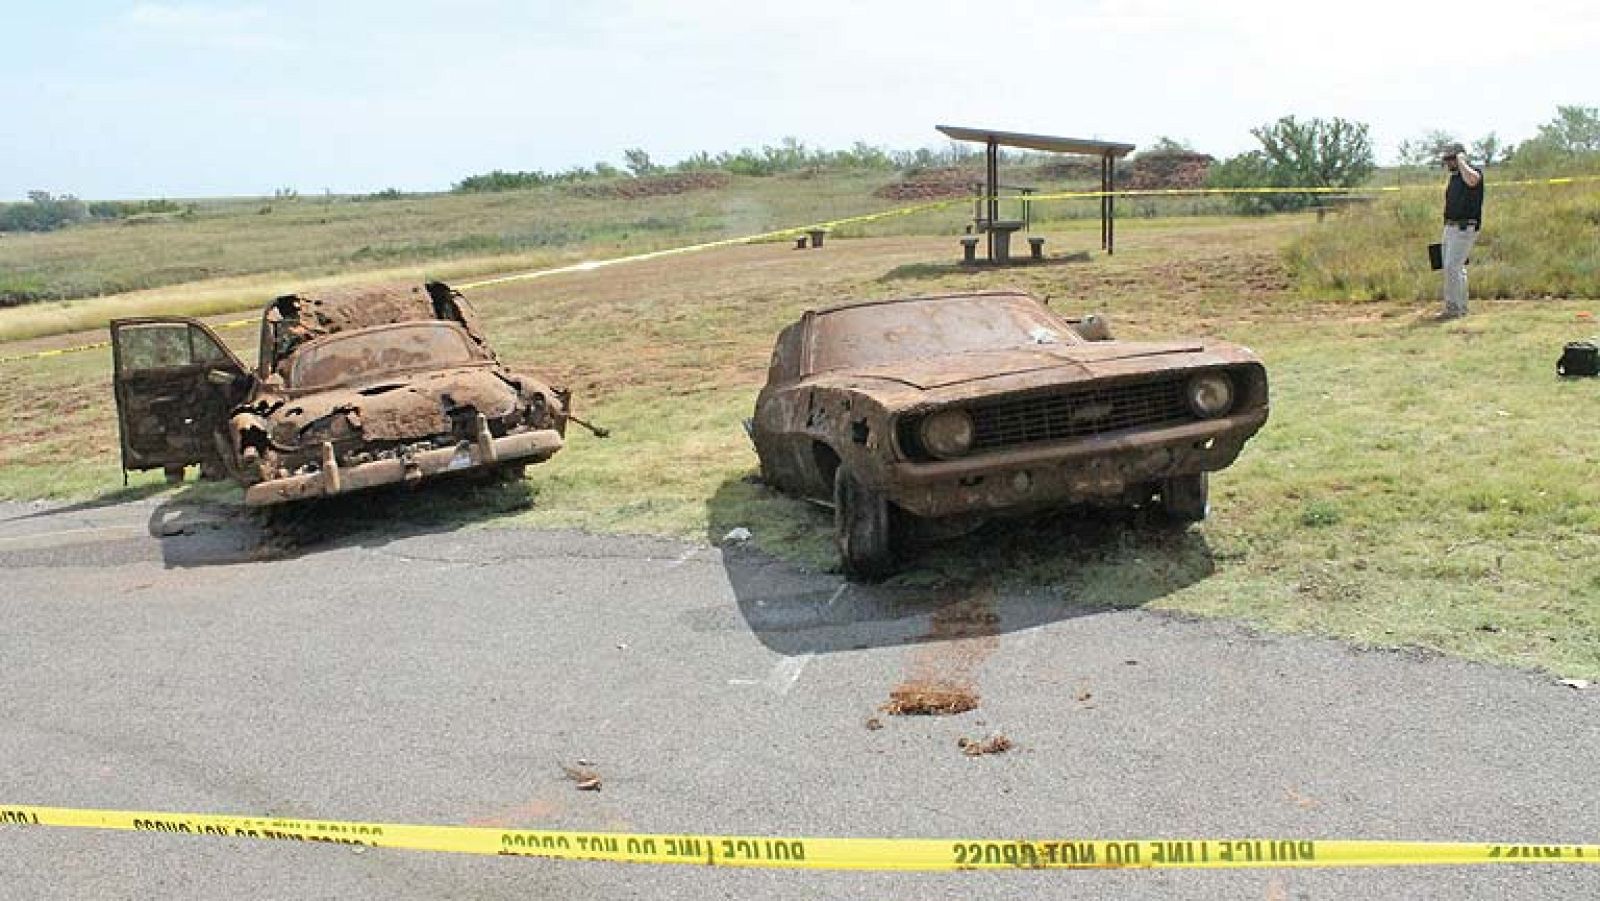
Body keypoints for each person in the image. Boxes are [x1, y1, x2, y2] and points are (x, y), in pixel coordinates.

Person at [1438, 142, 1483, 320]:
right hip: (1450, 227)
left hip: (1464, 228)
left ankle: (1453, 308)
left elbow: (1472, 181)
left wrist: (1462, 161)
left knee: (1452, 267)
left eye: (1451, 158)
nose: (1448, 162)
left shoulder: (1473, 173)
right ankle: (1460, 307)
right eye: (1446, 159)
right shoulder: (1455, 178)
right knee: (1455, 268)